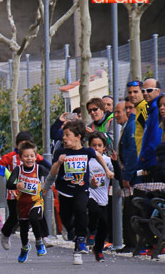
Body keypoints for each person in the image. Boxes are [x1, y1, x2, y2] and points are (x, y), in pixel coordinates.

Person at [42, 119, 112, 265]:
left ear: (78, 137)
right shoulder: (61, 152)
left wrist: (107, 170)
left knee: (80, 209)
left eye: (67, 135)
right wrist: (58, 164)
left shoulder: (86, 152)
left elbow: (98, 155)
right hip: (65, 191)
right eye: (63, 135)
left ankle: (81, 240)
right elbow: (53, 172)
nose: (64, 138)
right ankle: (73, 233)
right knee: (65, 217)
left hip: (81, 190)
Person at [6, 141, 50, 263]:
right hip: (22, 203)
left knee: (34, 218)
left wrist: (46, 186)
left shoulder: (39, 169)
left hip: (36, 202)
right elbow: (9, 184)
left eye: (32, 156)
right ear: (20, 158)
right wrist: (16, 185)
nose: (29, 158)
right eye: (26, 156)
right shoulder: (18, 170)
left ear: (36, 157)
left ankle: (39, 242)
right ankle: (25, 247)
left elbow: (51, 173)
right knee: (24, 229)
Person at [85, 132, 115, 262]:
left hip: (103, 196)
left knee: (105, 225)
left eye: (99, 145)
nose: (96, 148)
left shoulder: (107, 161)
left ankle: (98, 249)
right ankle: (91, 231)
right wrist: (90, 182)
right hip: (89, 193)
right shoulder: (87, 160)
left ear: (104, 147)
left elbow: (115, 173)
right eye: (93, 145)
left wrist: (114, 167)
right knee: (94, 211)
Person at [115, 100, 138, 253]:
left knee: (131, 209)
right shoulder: (127, 127)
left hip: (132, 175)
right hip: (128, 173)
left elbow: (131, 152)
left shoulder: (131, 126)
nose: (116, 115)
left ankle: (132, 242)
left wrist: (127, 175)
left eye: (119, 111)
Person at [138, 78, 163, 173]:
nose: (145, 93)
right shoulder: (150, 110)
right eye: (143, 91)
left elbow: (155, 140)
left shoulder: (157, 110)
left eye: (149, 90)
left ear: (158, 91)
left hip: (153, 163)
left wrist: (144, 158)